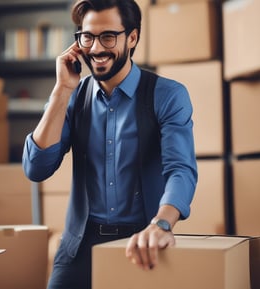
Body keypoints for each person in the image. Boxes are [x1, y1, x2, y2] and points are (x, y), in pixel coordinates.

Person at [22, 0, 198, 288]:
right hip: (79, 244)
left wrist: (162, 224)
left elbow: (181, 170)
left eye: (108, 36)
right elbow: (36, 168)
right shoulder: (72, 97)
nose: (95, 48)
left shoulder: (168, 95)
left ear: (132, 37)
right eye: (87, 37)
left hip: (142, 239)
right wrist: (61, 91)